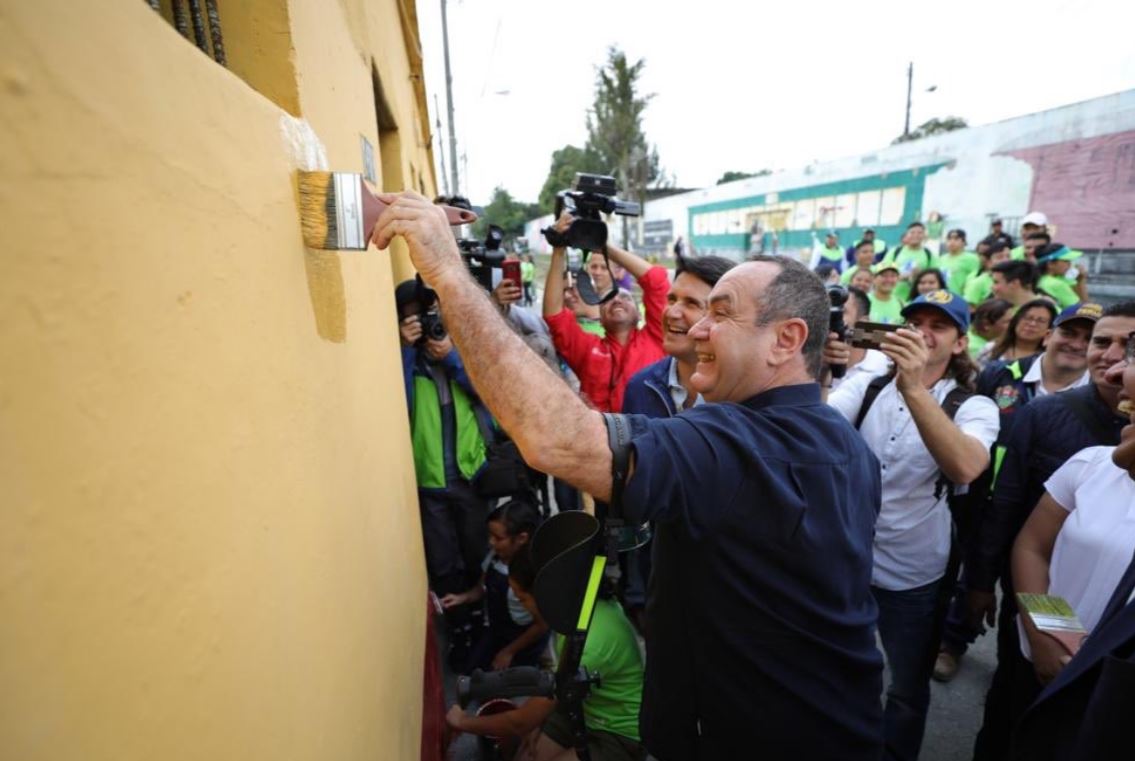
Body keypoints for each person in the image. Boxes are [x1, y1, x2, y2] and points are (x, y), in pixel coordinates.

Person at [372, 192, 885, 760]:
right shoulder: (842, 444)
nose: (697, 330)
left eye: (720, 312)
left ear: (787, 339)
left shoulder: (738, 444)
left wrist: (447, 273)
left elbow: (556, 438)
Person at [827, 289, 999, 761]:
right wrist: (819, 369)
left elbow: (966, 466)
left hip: (914, 571)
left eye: (937, 326)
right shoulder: (867, 385)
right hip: (848, 559)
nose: (922, 332)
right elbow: (814, 428)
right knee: (838, 667)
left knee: (905, 684)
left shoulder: (973, 405)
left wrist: (914, 386)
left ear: (959, 344)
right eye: (914, 322)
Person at [965, 301, 1135, 761]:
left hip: (1115, 676)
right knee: (1009, 724)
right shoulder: (1055, 425)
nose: (1112, 357)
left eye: (1130, 347)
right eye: (1104, 342)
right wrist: (1048, 634)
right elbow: (1014, 520)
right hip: (1031, 614)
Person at [933, 303, 1098, 682]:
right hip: (983, 505)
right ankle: (952, 642)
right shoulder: (1000, 374)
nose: (1076, 344)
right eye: (1069, 332)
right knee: (970, 578)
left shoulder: (1097, 397)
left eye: (1089, 339)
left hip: (1041, 517)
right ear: (1048, 335)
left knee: (1035, 591)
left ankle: (1024, 661)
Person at [1011, 340, 1135, 761]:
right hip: (1046, 668)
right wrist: (1049, 635)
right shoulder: (1090, 464)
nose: (1115, 374)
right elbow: (1032, 546)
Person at [620, 254, 735, 631]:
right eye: (671, 299)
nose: (671, 312)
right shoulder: (641, 386)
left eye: (691, 304)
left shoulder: (740, 396)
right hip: (656, 578)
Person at [445, 547, 646, 761]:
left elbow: (520, 722)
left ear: (545, 596)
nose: (523, 607)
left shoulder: (589, 644)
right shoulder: (576, 609)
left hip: (619, 734)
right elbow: (552, 690)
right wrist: (540, 720)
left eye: (523, 599)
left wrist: (462, 722)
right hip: (582, 705)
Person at [396, 279, 493, 667]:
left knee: (477, 552)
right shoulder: (405, 358)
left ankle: (484, 617)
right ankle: (458, 631)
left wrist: (452, 356)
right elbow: (399, 402)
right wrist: (404, 347)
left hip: (470, 474)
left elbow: (488, 390)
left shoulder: (461, 347)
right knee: (443, 563)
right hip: (430, 479)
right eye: (416, 317)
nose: (427, 323)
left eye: (432, 314)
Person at [542, 213, 668, 412]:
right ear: (600, 318)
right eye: (608, 300)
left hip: (649, 437)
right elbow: (554, 316)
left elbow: (657, 282)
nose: (616, 299)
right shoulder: (586, 348)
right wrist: (558, 248)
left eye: (626, 298)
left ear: (639, 315)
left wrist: (603, 247)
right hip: (599, 440)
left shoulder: (657, 338)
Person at [444, 500, 549, 673]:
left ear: (522, 538)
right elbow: (481, 588)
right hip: (497, 630)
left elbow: (542, 625)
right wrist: (461, 598)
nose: (491, 542)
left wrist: (508, 652)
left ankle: (542, 657)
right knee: (468, 670)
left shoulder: (528, 575)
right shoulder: (494, 557)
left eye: (498, 538)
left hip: (523, 637)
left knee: (499, 685)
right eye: (490, 536)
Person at [832, 286, 890, 389]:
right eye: (825, 309)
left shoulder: (884, 367)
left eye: (841, 310)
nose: (829, 316)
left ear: (863, 322)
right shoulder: (806, 360)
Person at [978, 298, 1056, 364]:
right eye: (1028, 318)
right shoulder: (990, 349)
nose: (1032, 324)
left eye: (1041, 321)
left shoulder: (1048, 361)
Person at [882, 221, 937, 301]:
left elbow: (935, 276)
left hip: (919, 298)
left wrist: (920, 275)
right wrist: (900, 276)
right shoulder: (895, 252)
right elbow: (883, 271)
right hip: (894, 296)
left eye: (919, 233)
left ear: (924, 236)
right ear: (907, 235)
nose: (916, 235)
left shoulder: (928, 254)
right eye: (912, 232)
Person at [964, 240, 1013, 307]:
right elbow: (969, 310)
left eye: (1008, 256)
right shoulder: (978, 283)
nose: (1006, 260)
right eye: (999, 257)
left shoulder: (1015, 282)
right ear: (989, 262)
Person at [1036, 243, 1084, 309]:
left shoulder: (1037, 280)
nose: (1070, 264)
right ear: (1050, 264)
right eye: (1066, 261)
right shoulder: (1057, 284)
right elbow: (1081, 311)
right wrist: (1081, 281)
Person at [938, 229, 981, 296]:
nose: (952, 242)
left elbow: (976, 278)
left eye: (956, 239)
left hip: (960, 297)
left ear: (964, 242)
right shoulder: (941, 259)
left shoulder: (971, 258)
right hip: (942, 297)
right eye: (949, 239)